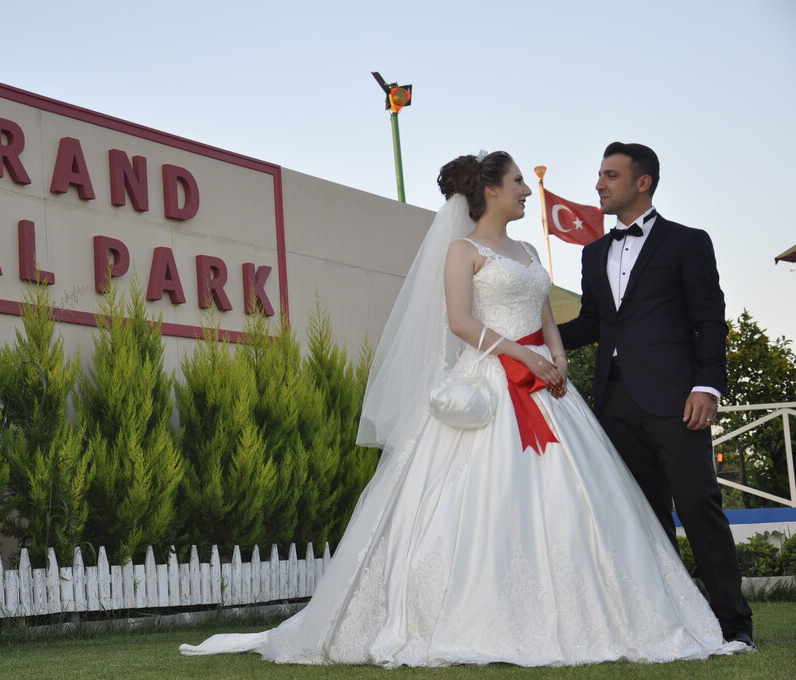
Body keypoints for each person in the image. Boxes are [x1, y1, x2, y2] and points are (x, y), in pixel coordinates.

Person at [180, 152, 743, 667]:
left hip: (556, 391)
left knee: (618, 502)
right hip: (491, 384)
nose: (527, 189)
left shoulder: (531, 252)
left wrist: (555, 355)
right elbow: (460, 322)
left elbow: (552, 315)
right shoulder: (462, 250)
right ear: (491, 191)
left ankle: (691, 618)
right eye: (518, 181)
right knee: (482, 496)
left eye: (608, 175)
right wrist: (522, 352)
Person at [558, 142, 754, 650]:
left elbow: (709, 319)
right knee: (643, 516)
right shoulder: (593, 252)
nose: (599, 184)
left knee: (699, 508)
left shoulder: (688, 242)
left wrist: (706, 385)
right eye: (599, 174)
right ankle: (672, 622)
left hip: (676, 400)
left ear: (642, 182)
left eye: (610, 175)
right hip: (614, 403)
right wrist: (527, 338)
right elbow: (593, 324)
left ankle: (734, 626)